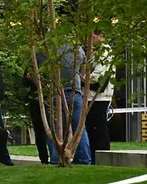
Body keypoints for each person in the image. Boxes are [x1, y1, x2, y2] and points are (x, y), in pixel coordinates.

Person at [47, 42, 92, 165]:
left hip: (57, 92)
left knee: (55, 128)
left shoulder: (51, 47)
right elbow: (84, 67)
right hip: (75, 91)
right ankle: (83, 158)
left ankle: (56, 158)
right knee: (79, 128)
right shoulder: (78, 48)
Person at [86, 30, 113, 164]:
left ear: (100, 36)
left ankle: (101, 158)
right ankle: (94, 158)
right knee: (92, 129)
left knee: (98, 129)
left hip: (99, 97)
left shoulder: (104, 52)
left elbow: (97, 78)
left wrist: (82, 79)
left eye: (92, 37)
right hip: (92, 96)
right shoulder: (94, 53)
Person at [23, 52, 51, 164]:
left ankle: (44, 157)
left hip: (39, 98)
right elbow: (25, 81)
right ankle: (47, 157)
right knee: (43, 129)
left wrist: (30, 79)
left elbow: (24, 82)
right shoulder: (39, 59)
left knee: (40, 130)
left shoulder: (36, 59)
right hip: (39, 98)